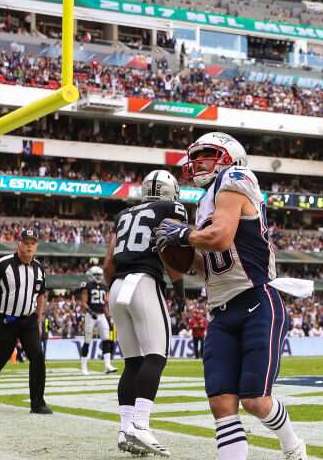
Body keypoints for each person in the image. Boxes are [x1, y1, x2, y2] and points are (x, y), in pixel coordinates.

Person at [152, 131, 308, 460]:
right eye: (195, 156)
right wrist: (173, 249)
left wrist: (184, 234)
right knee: (221, 403)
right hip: (221, 310)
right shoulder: (204, 202)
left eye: (206, 154)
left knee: (255, 400)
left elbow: (221, 238)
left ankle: (292, 445)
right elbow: (207, 266)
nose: (196, 162)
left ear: (229, 156)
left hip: (257, 298)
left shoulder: (237, 176)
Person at [104, 169, 188, 456]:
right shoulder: (171, 208)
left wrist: (111, 291)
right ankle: (141, 425)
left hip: (117, 285)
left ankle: (125, 430)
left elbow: (108, 262)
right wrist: (180, 290)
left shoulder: (124, 215)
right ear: (169, 191)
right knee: (156, 355)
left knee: (132, 362)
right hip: (144, 281)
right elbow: (169, 250)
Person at [0, 228, 51, 414]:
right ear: (19, 244)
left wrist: (38, 320)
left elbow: (40, 295)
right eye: (26, 242)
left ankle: (37, 403)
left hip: (28, 320)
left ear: (36, 246)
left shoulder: (39, 268)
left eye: (32, 243)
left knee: (37, 356)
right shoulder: (3, 264)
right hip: (5, 319)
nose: (29, 246)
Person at [79, 261, 116, 375]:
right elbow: (84, 303)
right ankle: (84, 367)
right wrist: (90, 311)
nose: (99, 277)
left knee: (106, 340)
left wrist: (109, 317)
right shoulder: (87, 286)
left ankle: (107, 365)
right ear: (91, 275)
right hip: (90, 315)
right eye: (96, 275)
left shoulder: (104, 287)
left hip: (101, 315)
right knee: (87, 340)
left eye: (100, 275)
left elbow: (105, 304)